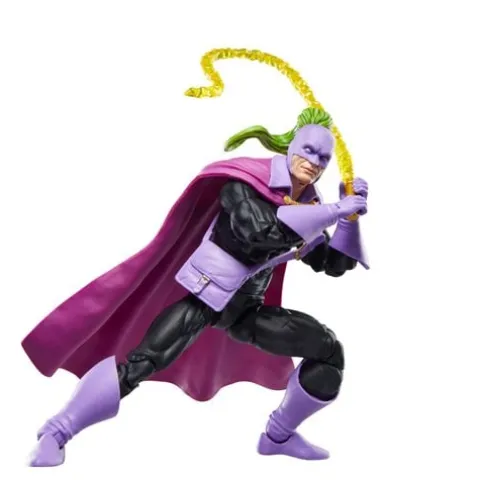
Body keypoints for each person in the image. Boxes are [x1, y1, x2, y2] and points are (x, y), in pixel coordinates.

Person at [23, 107, 369, 467]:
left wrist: (349, 220)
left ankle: (278, 436)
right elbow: (260, 233)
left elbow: (335, 264)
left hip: (246, 312)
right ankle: (56, 433)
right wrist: (334, 211)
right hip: (204, 299)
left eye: (324, 157)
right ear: (291, 146)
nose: (314, 162)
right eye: (309, 150)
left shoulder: (308, 205)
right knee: (139, 364)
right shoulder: (245, 183)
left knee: (328, 350)